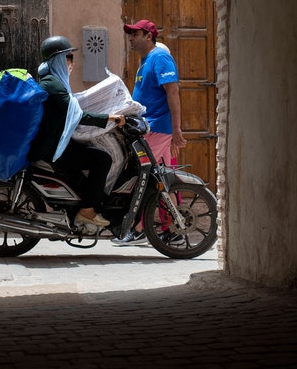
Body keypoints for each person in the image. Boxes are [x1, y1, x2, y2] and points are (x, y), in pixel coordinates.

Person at [28, 35, 125, 229]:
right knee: (102, 159)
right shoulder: (53, 84)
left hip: (55, 143)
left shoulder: (53, 81)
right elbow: (77, 115)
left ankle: (82, 203)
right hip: (53, 148)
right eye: (68, 58)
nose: (71, 63)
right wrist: (109, 118)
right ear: (58, 60)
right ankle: (87, 212)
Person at [112, 19, 186, 246]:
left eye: (135, 34)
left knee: (141, 176)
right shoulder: (146, 62)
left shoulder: (160, 58)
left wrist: (175, 130)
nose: (131, 39)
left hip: (157, 128)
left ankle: (138, 229)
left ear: (148, 36)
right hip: (149, 127)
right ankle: (175, 228)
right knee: (162, 179)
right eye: (130, 35)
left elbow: (172, 94)